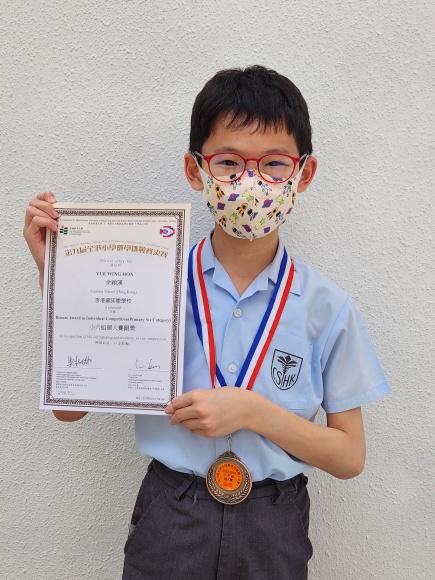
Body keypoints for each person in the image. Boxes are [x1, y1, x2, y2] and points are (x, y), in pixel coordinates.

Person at [23, 65, 391, 580]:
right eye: (228, 162)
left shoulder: (327, 308)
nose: (250, 182)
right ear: (196, 170)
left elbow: (350, 456)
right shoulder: (148, 281)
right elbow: (69, 410)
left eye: (275, 164)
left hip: (275, 519)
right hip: (172, 512)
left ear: (303, 174)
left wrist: (254, 412)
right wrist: (59, 276)